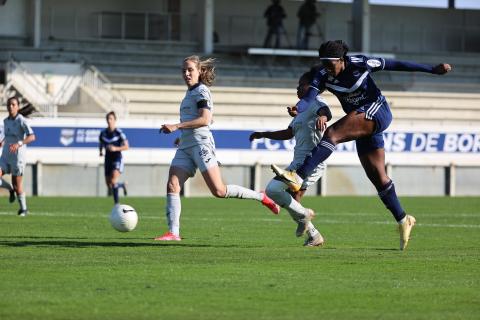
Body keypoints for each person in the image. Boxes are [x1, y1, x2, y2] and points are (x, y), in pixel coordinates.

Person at [272, 40, 452, 250]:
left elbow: (396, 64)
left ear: (341, 60)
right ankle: (404, 219)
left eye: (331, 64)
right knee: (378, 178)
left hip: (377, 111)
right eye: (324, 64)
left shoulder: (360, 63)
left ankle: (298, 175)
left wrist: (432, 69)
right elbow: (310, 96)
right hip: (360, 121)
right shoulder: (323, 75)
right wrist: (298, 108)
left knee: (332, 134)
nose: (327, 68)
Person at [155, 55, 280, 241]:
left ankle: (261, 196)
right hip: (186, 146)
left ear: (199, 71)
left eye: (190, 70)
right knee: (172, 184)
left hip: (201, 145)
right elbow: (205, 119)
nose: (186, 73)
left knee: (219, 191)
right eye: (184, 70)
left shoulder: (201, 91)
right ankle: (174, 233)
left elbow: (204, 119)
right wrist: (183, 137)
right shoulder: (190, 93)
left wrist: (177, 126)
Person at [250, 68, 332, 246]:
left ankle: (305, 218)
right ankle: (313, 234)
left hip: (312, 161)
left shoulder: (317, 101)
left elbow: (326, 111)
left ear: (311, 87)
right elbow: (288, 133)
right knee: (293, 199)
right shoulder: (301, 110)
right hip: (299, 161)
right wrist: (264, 134)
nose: (297, 88)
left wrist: (324, 117)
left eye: (300, 85)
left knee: (273, 191)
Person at [0, 97, 36, 216]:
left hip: (17, 157)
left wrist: (19, 143)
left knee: (17, 185)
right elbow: (8, 135)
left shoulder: (21, 120)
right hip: (5, 155)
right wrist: (3, 141)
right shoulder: (5, 121)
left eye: (13, 105)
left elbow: (32, 137)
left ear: (18, 107)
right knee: (12, 186)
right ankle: (9, 188)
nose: (10, 107)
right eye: (9, 104)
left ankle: (23, 209)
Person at [99, 111, 129, 205]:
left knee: (113, 180)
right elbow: (101, 143)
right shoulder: (103, 133)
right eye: (108, 119)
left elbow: (127, 146)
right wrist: (100, 151)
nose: (109, 120)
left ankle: (116, 204)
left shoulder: (119, 133)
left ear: (115, 120)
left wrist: (116, 148)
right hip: (107, 159)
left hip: (117, 159)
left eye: (111, 119)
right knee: (109, 184)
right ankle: (122, 185)